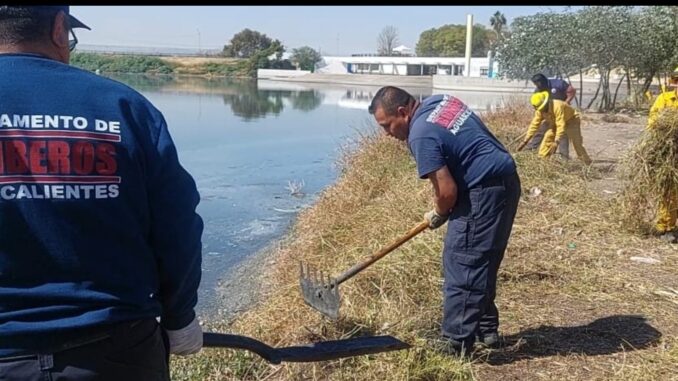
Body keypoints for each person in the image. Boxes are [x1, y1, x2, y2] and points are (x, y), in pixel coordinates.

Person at [0, 6, 204, 380]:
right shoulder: (124, 107)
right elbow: (177, 227)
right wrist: (180, 317)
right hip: (117, 353)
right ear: (60, 30)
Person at [368, 86, 521, 355]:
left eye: (387, 125)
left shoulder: (420, 135)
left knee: (463, 261)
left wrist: (439, 212)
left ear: (403, 112)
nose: (387, 134)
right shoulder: (441, 101)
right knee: (483, 259)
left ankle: (456, 343)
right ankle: (486, 330)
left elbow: (447, 192)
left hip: (482, 193)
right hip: (504, 182)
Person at [517, 90, 593, 165]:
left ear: (546, 103)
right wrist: (525, 141)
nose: (542, 110)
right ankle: (542, 162)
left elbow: (561, 125)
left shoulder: (557, 106)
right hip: (555, 123)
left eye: (542, 108)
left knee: (577, 144)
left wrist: (556, 142)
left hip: (571, 121)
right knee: (548, 137)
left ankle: (587, 163)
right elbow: (534, 125)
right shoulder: (540, 111)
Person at [647, 66, 678, 243]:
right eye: (676, 81)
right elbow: (653, 121)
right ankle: (665, 226)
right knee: (668, 189)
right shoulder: (664, 99)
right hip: (667, 150)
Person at [524, 73, 577, 157]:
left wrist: (566, 103)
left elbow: (572, 91)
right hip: (549, 113)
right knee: (541, 130)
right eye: (535, 84)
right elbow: (536, 111)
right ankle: (530, 149)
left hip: (562, 113)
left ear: (544, 81)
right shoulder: (538, 91)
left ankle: (564, 157)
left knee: (562, 133)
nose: (537, 86)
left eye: (539, 83)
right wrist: (525, 140)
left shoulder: (558, 84)